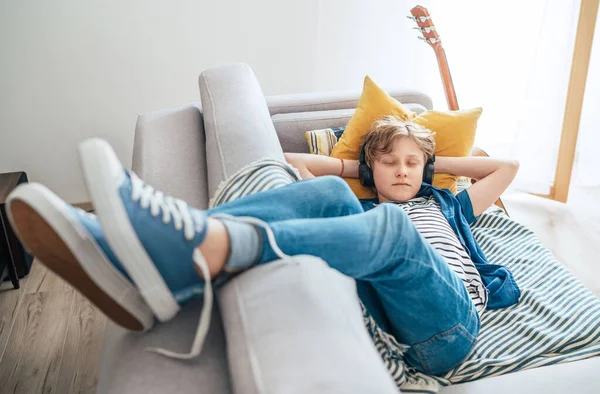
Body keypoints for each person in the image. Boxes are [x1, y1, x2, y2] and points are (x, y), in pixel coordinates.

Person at [6, 116, 520, 376]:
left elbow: (507, 169)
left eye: (413, 163)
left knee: (391, 225)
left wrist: (434, 165)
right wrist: (351, 170)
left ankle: (206, 246)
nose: (404, 170)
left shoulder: (448, 206)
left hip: (451, 325)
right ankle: (138, 259)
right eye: (390, 162)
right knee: (327, 194)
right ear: (373, 168)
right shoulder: (360, 215)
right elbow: (287, 158)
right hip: (390, 305)